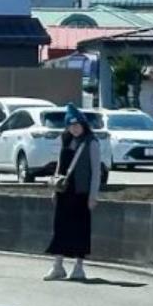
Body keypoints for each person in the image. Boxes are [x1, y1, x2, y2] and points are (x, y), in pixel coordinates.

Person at [44, 105, 102, 281]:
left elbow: (96, 171)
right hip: (64, 191)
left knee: (80, 230)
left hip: (82, 193)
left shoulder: (91, 142)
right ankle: (58, 265)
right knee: (60, 229)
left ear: (84, 125)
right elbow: (60, 165)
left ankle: (78, 267)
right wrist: (55, 190)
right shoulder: (65, 139)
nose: (74, 128)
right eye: (71, 125)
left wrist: (93, 195)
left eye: (77, 125)